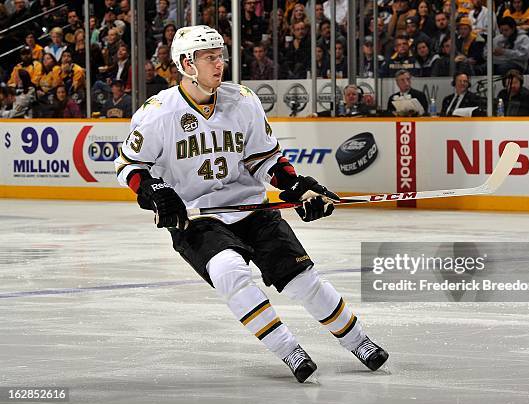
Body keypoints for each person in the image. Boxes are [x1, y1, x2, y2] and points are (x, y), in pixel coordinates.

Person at [114, 25, 388, 383]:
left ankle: (359, 342)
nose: (219, 63)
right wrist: (155, 191)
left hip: (251, 208)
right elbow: (129, 166)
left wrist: (296, 187)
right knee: (230, 272)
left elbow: (264, 159)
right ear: (186, 63)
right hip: (198, 218)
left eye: (220, 55)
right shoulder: (158, 112)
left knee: (303, 279)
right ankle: (290, 350)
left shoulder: (242, 100)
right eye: (209, 57)